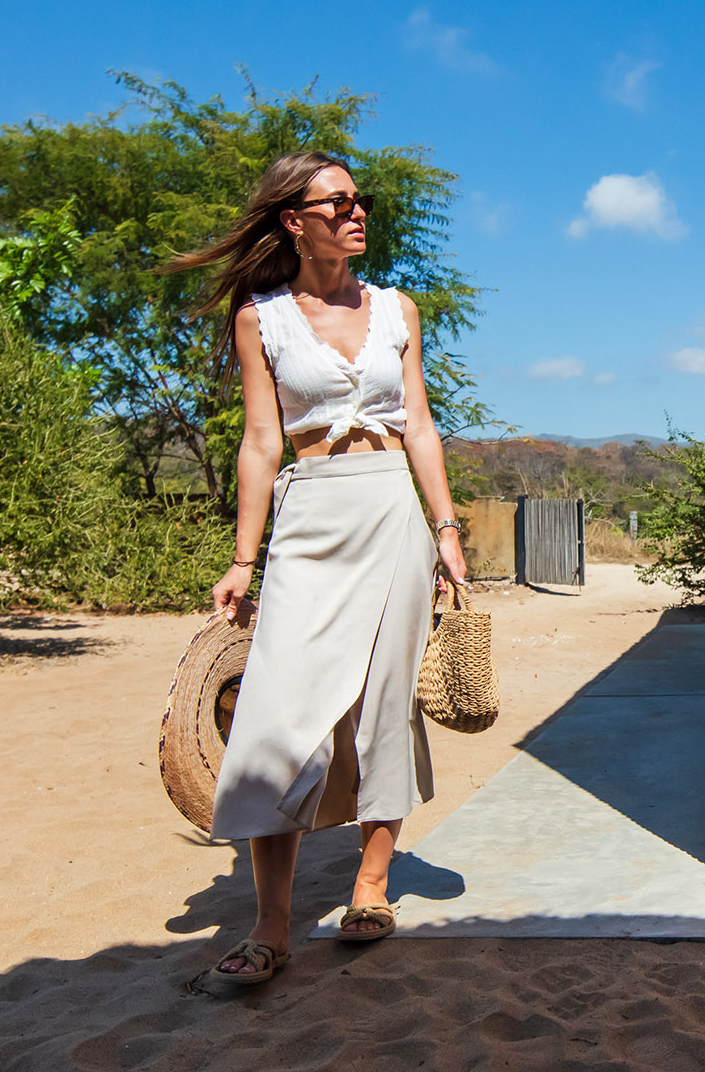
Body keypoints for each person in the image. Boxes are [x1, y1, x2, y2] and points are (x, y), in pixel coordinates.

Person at [171, 150, 469, 988]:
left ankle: (371, 887)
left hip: (390, 511)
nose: (355, 212)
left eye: (358, 200)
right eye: (335, 203)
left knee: (383, 702)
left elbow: (419, 425)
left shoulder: (397, 308)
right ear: (291, 221)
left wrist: (444, 529)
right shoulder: (261, 318)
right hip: (309, 514)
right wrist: (244, 557)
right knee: (277, 709)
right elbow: (261, 442)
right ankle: (271, 924)